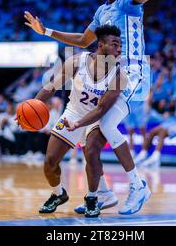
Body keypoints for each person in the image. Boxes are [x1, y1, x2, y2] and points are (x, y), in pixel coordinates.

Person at [24, 0, 154, 214]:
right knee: (90, 143)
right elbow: (84, 41)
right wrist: (46, 31)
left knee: (105, 125)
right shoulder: (101, 10)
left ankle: (138, 185)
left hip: (132, 72)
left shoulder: (129, 0)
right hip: (109, 73)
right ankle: (104, 193)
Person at [18, 25, 150, 217]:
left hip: (96, 119)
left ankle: (93, 197)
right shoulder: (77, 61)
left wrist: (80, 125)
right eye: (114, 44)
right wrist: (31, 108)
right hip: (72, 112)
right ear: (101, 44)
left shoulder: (120, 76)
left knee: (91, 151)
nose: (119, 49)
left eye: (121, 45)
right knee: (50, 161)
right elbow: (51, 87)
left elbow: (102, 109)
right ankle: (58, 194)